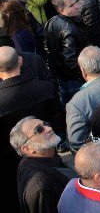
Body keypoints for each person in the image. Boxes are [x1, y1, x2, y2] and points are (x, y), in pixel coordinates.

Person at [0, 47, 61, 213]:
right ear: (20, 61)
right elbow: (57, 122)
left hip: (11, 164)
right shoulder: (46, 87)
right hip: (47, 153)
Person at [11, 116, 76, 213]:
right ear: (28, 149)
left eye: (45, 124)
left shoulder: (40, 159)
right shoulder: (42, 185)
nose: (49, 128)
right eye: (39, 129)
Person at [44, 0, 89, 105]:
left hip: (61, 76)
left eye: (75, 3)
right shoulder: (69, 28)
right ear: (60, 10)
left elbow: (46, 45)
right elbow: (70, 59)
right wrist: (84, 74)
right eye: (71, 5)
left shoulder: (51, 21)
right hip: (73, 79)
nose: (77, 7)